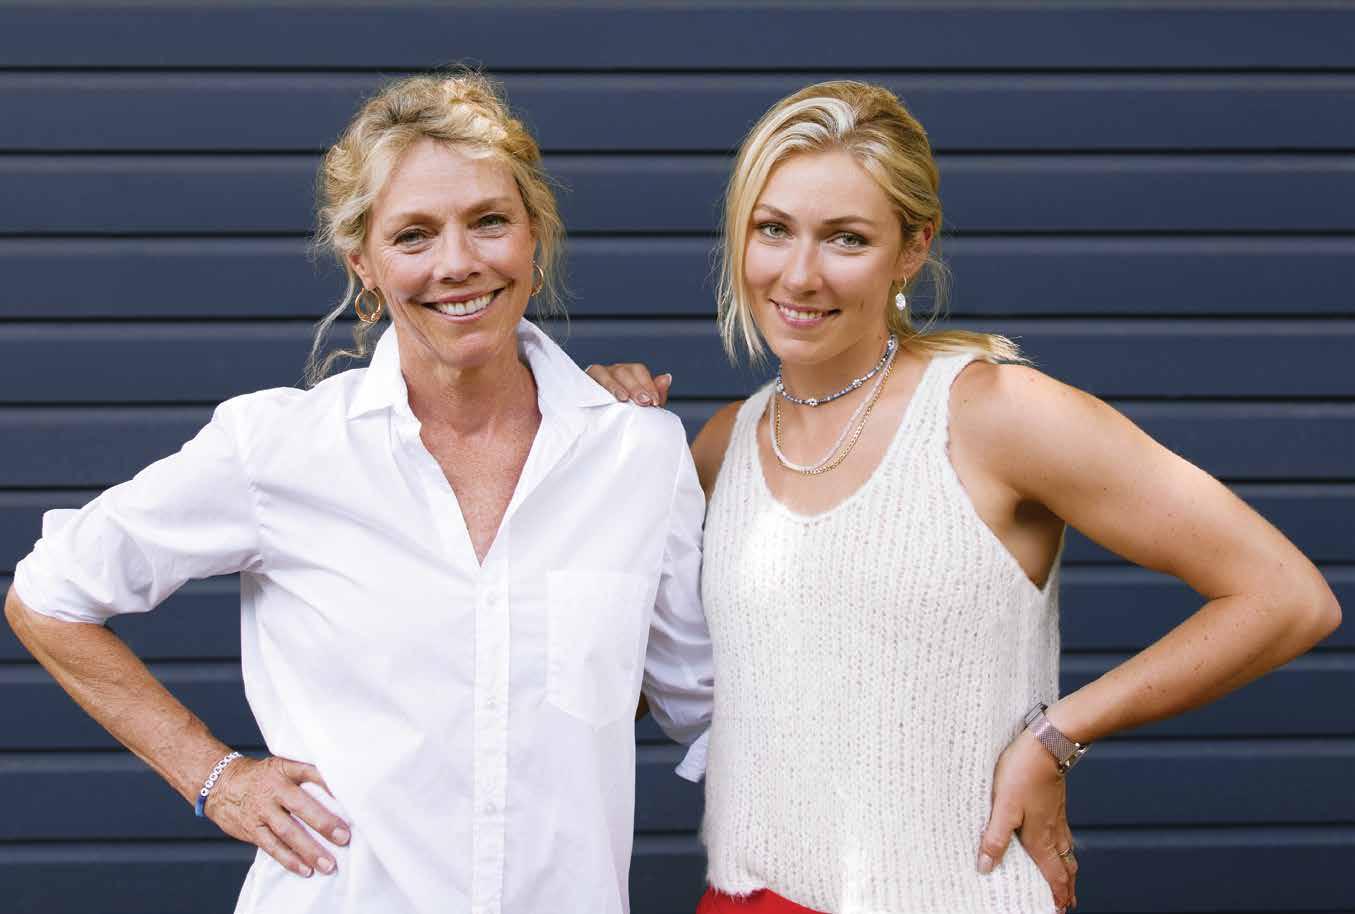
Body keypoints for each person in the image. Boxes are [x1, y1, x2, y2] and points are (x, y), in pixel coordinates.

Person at [586, 80, 1341, 914]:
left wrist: (1055, 737)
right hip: (748, 897)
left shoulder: (994, 413)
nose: (798, 274)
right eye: (773, 229)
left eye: (845, 238)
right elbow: (618, 677)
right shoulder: (722, 445)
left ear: (912, 247)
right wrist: (590, 444)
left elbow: (1286, 597)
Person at [4, 72, 713, 914]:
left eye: (489, 221)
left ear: (535, 238)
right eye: (413, 235)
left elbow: (703, 704)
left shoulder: (635, 455)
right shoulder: (280, 449)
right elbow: (48, 597)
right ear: (364, 267)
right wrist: (214, 776)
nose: (458, 262)